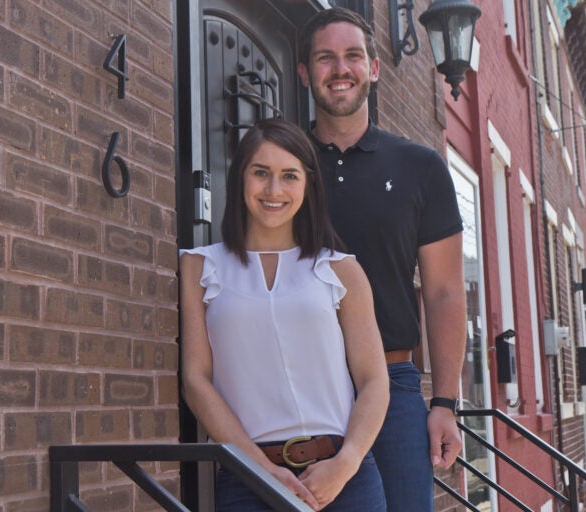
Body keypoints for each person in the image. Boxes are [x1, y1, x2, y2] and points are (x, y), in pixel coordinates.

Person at [297, 7, 468, 511]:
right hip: (302, 384)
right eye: (325, 58)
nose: (340, 68)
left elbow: (443, 292)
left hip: (394, 389)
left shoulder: (421, 167)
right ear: (305, 73)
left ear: (374, 67)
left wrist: (444, 404)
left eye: (353, 55)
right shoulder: (283, 168)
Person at [180, 118, 390, 512]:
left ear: (308, 184)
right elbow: (196, 380)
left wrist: (346, 463)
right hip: (248, 478)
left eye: (289, 176)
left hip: (344, 479)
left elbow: (374, 379)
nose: (274, 190)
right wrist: (259, 470)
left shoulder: (341, 269)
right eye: (261, 173)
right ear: (240, 177)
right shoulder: (201, 267)